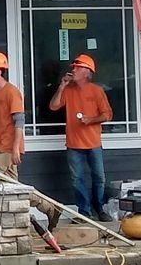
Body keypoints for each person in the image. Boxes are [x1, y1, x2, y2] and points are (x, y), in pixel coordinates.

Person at [48, 53, 112, 219]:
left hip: (93, 143)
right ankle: (84, 212)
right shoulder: (68, 90)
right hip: (73, 144)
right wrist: (61, 86)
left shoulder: (97, 91)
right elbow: (53, 106)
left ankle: (100, 208)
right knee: (77, 180)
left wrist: (91, 120)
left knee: (99, 178)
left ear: (87, 72)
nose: (73, 70)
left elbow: (107, 115)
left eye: (77, 67)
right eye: (74, 67)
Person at [0, 50, 24, 177]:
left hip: (7, 147)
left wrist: (15, 148)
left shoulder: (11, 92)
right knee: (11, 183)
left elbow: (19, 121)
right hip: (1, 146)